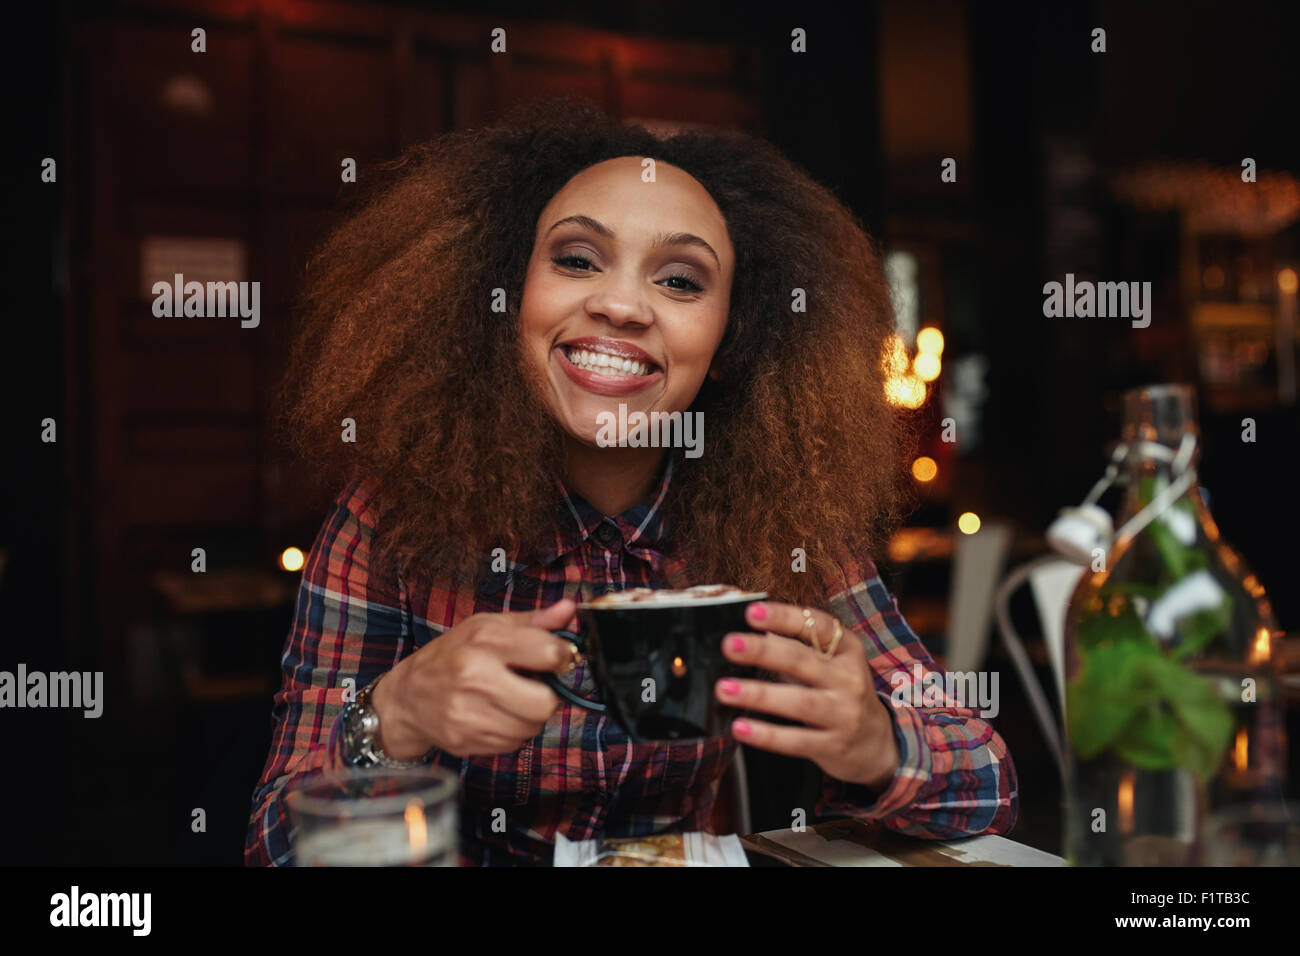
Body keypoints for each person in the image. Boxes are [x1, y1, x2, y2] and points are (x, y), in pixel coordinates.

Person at [245, 96, 1018, 866]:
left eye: (680, 281)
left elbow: (987, 782)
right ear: (503, 296)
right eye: (577, 260)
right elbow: (279, 843)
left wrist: (877, 742)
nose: (620, 305)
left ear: (730, 337)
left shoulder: (784, 520)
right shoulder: (389, 514)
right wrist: (395, 715)